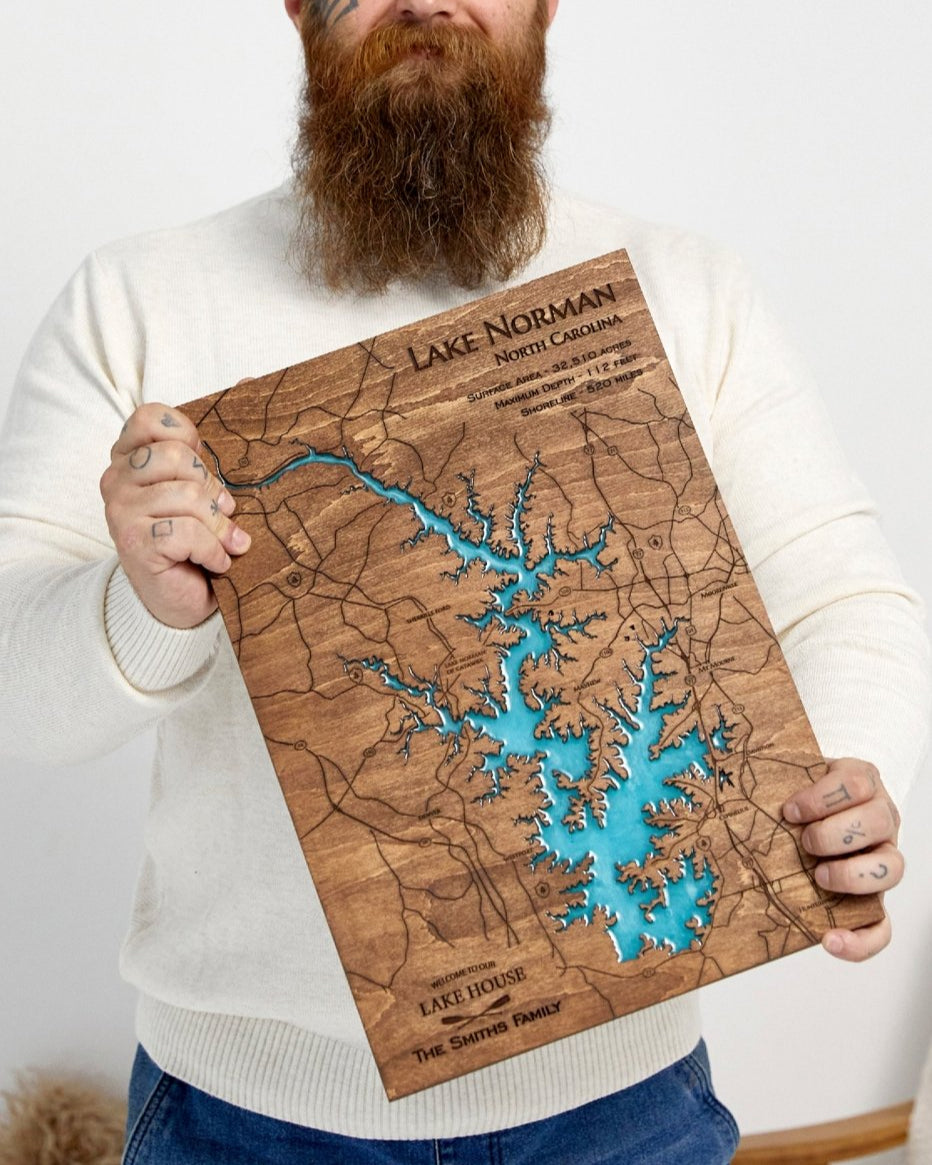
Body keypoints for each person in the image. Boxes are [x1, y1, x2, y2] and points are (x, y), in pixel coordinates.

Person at [0, 1, 927, 1162]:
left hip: (626, 1109)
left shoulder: (686, 288)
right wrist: (139, 603)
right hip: (245, 1119)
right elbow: (14, 688)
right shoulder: (132, 298)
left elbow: (841, 596)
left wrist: (836, 778)